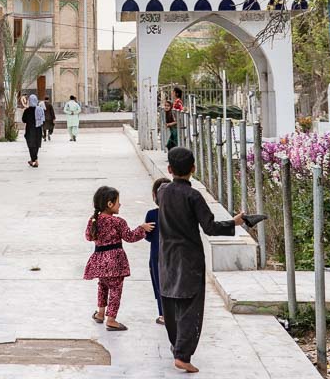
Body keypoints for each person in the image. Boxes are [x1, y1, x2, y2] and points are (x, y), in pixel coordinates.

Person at [157, 147, 244, 374]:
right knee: (190, 307)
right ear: (193, 169)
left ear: (169, 169)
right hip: (189, 259)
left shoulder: (163, 191)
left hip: (166, 258)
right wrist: (234, 223)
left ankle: (176, 348)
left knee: (170, 304)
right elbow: (210, 227)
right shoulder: (193, 196)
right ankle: (182, 355)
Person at [83, 185, 154, 331]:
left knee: (102, 286)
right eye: (117, 202)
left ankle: (100, 313)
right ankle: (111, 319)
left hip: (99, 260)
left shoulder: (93, 220)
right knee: (115, 289)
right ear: (110, 204)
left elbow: (88, 236)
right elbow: (130, 237)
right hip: (115, 261)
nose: (120, 204)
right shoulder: (118, 222)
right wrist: (142, 228)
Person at [145, 177, 170, 323]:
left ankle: (163, 315)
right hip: (175, 254)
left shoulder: (151, 214)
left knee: (159, 284)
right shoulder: (177, 214)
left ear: (154, 195)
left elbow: (147, 236)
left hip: (156, 254)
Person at [22, 94, 42, 167]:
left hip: (30, 130)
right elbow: (43, 119)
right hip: (38, 129)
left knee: (31, 145)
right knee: (36, 145)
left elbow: (23, 120)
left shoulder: (27, 110)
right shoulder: (39, 109)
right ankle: (33, 160)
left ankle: (35, 160)